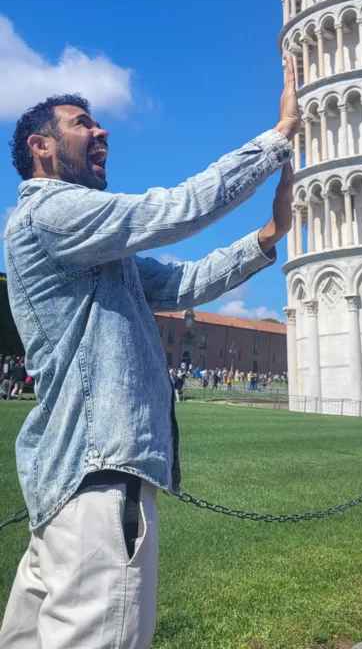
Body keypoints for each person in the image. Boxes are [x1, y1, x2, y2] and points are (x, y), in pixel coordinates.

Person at [0, 57, 300, 649]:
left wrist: (267, 238)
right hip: (99, 478)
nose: (102, 131)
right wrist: (278, 139)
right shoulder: (48, 210)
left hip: (72, 480)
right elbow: (172, 210)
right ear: (42, 146)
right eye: (83, 123)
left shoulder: (94, 249)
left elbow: (183, 284)